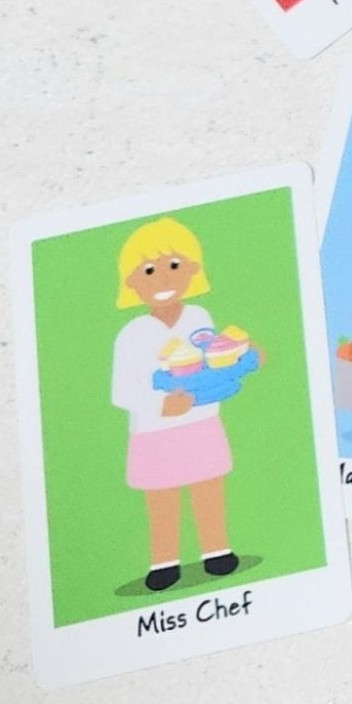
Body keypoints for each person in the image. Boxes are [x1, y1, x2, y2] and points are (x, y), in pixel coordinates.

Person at [110, 217, 253, 591]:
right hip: (153, 433)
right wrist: (159, 407)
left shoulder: (199, 318)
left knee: (208, 487)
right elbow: (121, 392)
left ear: (192, 269)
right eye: (148, 271)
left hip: (202, 423)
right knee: (162, 496)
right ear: (131, 282)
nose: (163, 279)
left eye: (174, 266)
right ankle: (164, 562)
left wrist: (242, 356)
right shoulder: (131, 334)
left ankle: (216, 551)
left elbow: (213, 360)